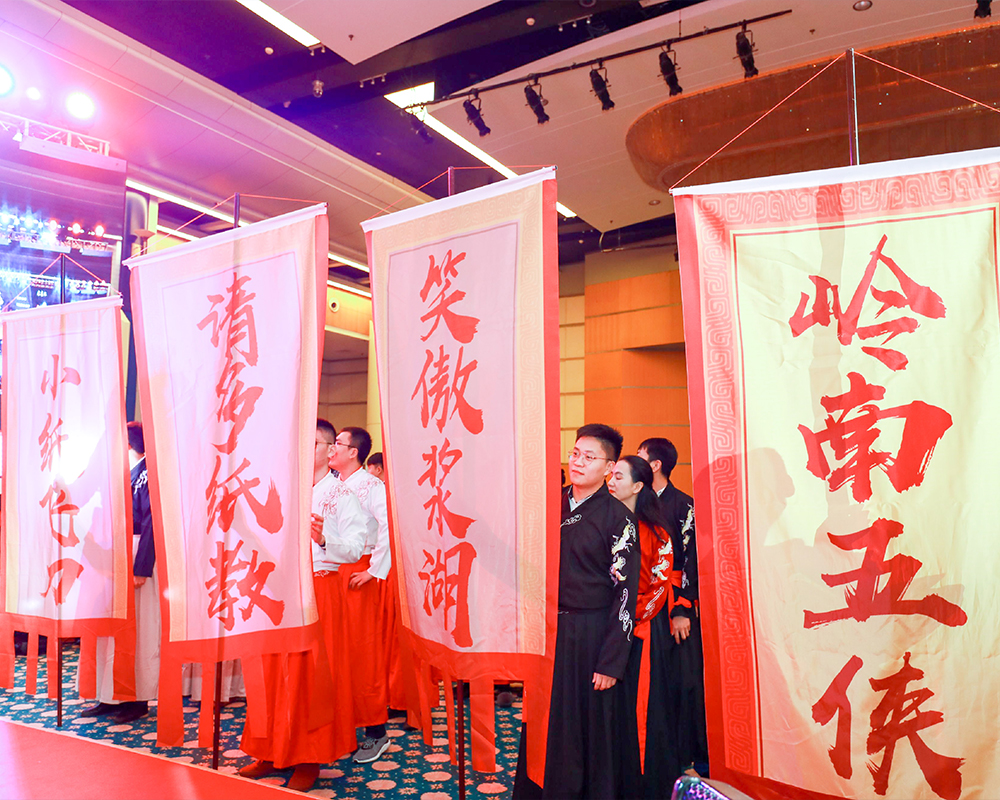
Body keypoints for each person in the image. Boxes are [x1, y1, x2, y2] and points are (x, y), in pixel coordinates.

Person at [239, 419, 367, 791]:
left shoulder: (342, 495)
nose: (303, 449)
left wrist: (324, 538)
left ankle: (309, 756)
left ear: (330, 450)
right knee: (271, 671)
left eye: (312, 443)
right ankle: (268, 750)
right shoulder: (283, 488)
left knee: (310, 676)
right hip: (279, 588)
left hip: (319, 590)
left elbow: (355, 548)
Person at [515, 423, 641, 799]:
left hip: (591, 635)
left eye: (589, 457)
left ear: (609, 467)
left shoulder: (618, 519)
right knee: (544, 720)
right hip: (547, 631)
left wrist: (611, 661)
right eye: (574, 454)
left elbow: (625, 594)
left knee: (587, 729)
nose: (578, 462)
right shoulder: (547, 506)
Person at [608, 455, 684, 797]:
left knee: (643, 710)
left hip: (642, 627)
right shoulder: (604, 521)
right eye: (611, 475)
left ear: (638, 486)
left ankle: (642, 784)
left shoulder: (658, 532)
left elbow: (660, 585)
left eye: (618, 476)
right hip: (603, 627)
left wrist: (629, 616)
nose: (611, 481)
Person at [637, 437, 709, 782]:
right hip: (640, 601)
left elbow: (692, 559)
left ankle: (685, 757)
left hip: (672, 601)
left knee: (683, 681)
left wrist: (682, 607)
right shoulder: (635, 502)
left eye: (640, 456)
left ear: (655, 465)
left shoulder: (683, 505)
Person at [81, 421, 159, 723]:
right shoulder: (123, 475)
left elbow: (153, 523)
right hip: (115, 553)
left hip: (137, 553)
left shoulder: (148, 474)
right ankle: (109, 695)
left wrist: (142, 568)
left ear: (127, 446)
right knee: (110, 630)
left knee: (138, 632)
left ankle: (136, 699)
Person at [330, 426, 393, 763]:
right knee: (337, 653)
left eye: (337, 444)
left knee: (362, 652)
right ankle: (343, 725)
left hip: (359, 572)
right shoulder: (332, 485)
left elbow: (388, 527)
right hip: (333, 573)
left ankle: (376, 730)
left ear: (353, 451)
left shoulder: (371, 486)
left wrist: (373, 571)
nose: (332, 449)